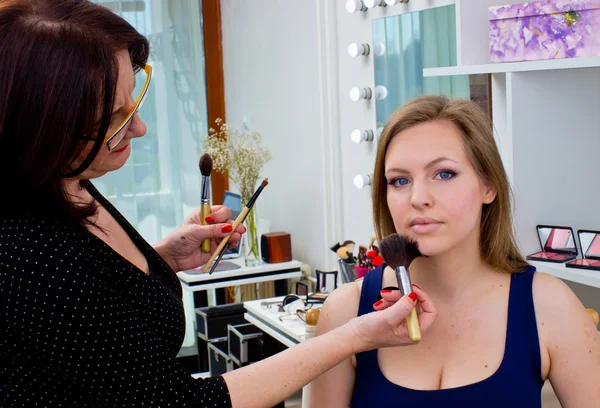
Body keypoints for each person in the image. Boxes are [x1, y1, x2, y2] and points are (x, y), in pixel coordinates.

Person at [0, 1, 439, 407]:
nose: (140, 128)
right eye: (113, 121)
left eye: (134, 101)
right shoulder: (28, 256)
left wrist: (164, 257)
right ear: (44, 134)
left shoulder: (70, 182)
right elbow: (179, 402)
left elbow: (99, 298)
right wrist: (352, 337)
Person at [310, 95, 600, 407]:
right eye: (400, 180)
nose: (418, 198)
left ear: (488, 185)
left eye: (444, 174)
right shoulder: (346, 312)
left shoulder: (549, 306)